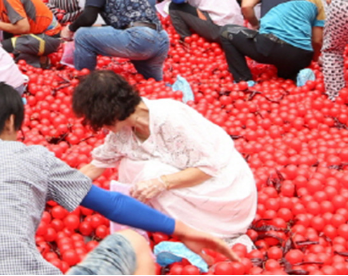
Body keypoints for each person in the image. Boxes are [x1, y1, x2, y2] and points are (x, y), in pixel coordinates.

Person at [0, 83, 236, 276]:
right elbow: (112, 204)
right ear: (13, 122)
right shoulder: (32, 157)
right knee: (131, 242)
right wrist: (187, 230)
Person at [73, 70, 258, 245]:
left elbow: (208, 168)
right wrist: (61, 187)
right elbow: (96, 165)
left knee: (149, 172)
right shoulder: (123, 132)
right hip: (191, 181)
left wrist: (161, 182)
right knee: (131, 165)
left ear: (111, 113)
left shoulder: (171, 118)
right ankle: (154, 218)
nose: (101, 127)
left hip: (224, 191)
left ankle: (202, 229)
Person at [61, 0, 171, 81]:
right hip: (161, 39)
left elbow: (88, 17)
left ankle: (84, 83)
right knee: (152, 84)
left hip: (140, 39)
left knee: (82, 35)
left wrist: (70, 28)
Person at [221, 0, 324, 84]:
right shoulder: (317, 0)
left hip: (271, 46)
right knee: (284, 75)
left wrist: (255, 25)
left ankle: (243, 80)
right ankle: (296, 75)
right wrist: (313, 61)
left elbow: (246, 6)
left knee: (226, 31)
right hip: (301, 56)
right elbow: (317, 40)